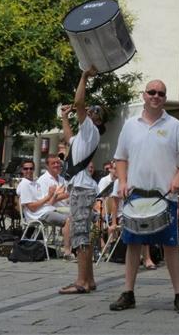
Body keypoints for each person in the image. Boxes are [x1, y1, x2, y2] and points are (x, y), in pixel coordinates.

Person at [109, 79, 179, 313]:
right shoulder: (130, 125)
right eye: (152, 92)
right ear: (144, 95)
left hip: (164, 196)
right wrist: (122, 181)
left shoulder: (175, 125)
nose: (156, 96)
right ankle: (128, 293)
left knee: (170, 245)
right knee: (133, 244)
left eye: (161, 93)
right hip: (136, 194)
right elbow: (121, 157)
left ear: (165, 98)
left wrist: (178, 178)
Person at [58, 68, 104, 295]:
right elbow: (69, 138)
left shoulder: (91, 129)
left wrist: (84, 77)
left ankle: (81, 281)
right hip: (82, 187)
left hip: (83, 188)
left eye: (94, 111)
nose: (89, 110)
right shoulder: (83, 136)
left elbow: (78, 102)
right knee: (82, 231)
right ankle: (89, 279)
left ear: (98, 120)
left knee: (80, 233)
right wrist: (64, 118)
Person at [16, 159, 69, 230]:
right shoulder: (24, 184)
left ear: (34, 169)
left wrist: (55, 194)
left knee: (75, 219)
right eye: (26, 169)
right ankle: (67, 237)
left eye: (31, 168)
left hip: (47, 210)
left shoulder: (36, 183)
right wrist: (48, 196)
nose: (29, 171)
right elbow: (32, 208)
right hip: (39, 215)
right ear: (22, 170)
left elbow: (49, 203)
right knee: (69, 221)